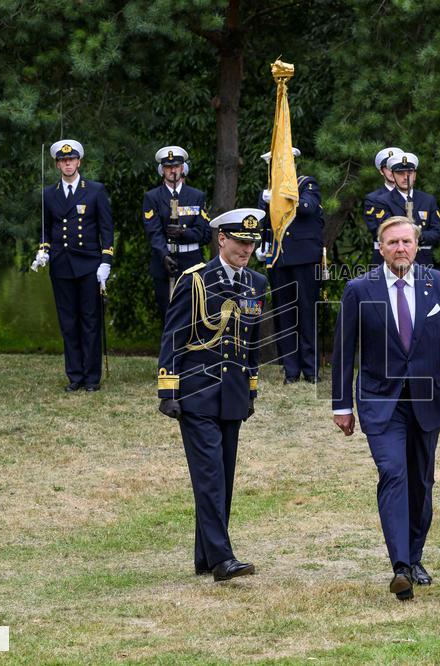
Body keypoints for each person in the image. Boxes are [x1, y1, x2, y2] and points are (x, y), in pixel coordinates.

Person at [331, 215, 440, 601]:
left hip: (428, 400)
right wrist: (341, 405)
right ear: (380, 248)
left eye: (406, 242)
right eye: (392, 242)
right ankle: (399, 566)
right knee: (393, 474)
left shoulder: (438, 284)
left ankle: (414, 558)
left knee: (421, 482)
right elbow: (344, 352)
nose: (400, 248)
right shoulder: (359, 290)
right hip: (381, 401)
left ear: (417, 246)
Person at [156, 208, 268, 582]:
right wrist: (168, 388)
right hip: (197, 393)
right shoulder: (196, 280)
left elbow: (252, 344)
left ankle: (205, 557)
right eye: (240, 242)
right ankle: (222, 559)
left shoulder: (256, 284)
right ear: (221, 239)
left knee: (224, 477)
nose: (246, 249)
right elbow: (173, 335)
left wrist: (251, 390)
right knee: (209, 478)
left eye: (251, 243)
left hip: (233, 395)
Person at [32, 139, 114, 392]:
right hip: (62, 265)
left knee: (90, 320)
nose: (68, 164)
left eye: (72, 160)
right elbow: (46, 229)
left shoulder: (95, 190)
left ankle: (91, 378)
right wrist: (43, 251)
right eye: (63, 161)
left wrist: (106, 262)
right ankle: (75, 376)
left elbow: (106, 230)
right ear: (58, 164)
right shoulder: (49, 193)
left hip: (89, 264)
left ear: (79, 162)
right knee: (68, 322)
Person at [256, 148, 325, 384]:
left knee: (306, 312)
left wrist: (279, 196)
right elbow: (264, 222)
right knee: (284, 316)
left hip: (304, 259)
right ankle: (291, 370)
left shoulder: (306, 184)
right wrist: (263, 243)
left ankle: (311, 369)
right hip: (278, 260)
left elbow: (307, 208)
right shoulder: (267, 192)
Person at [142, 146, 212, 322]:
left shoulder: (197, 196)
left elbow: (204, 234)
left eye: (176, 166)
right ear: (162, 170)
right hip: (164, 262)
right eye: (168, 167)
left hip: (192, 261)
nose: (172, 170)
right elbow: (153, 232)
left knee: (194, 314)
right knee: (169, 315)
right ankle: (171, 350)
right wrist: (164, 256)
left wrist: (184, 232)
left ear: (183, 168)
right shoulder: (152, 197)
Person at [364, 152, 440, 266]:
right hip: (393, 261)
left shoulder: (428, 200)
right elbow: (387, 232)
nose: (406, 177)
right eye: (400, 173)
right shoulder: (382, 201)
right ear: (393, 175)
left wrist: (417, 237)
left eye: (410, 173)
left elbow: (437, 233)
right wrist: (413, 236)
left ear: (415, 175)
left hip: (423, 261)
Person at [362, 146, 402, 265]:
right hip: (384, 257)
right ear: (381, 171)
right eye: (387, 168)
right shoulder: (373, 199)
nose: (392, 171)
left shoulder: (417, 197)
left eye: (395, 167)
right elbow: (377, 230)